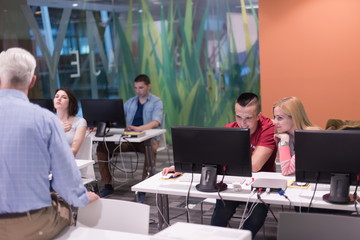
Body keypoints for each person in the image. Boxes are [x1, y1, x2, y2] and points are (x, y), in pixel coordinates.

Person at [0, 47, 99, 239]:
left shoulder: (72, 121)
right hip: (29, 222)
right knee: (64, 207)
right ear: (32, 80)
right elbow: (65, 180)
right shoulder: (45, 120)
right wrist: (81, 197)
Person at [162, 92, 277, 238]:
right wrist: (184, 166)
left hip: (261, 187)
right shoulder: (230, 129)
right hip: (234, 182)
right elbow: (211, 157)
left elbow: (254, 166)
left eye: (248, 118)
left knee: (255, 218)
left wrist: (225, 160)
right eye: (238, 116)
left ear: (259, 116)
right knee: (220, 213)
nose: (243, 123)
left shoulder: (268, 127)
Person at [96, 74, 163, 199]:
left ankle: (143, 187)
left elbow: (156, 122)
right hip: (130, 139)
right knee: (102, 147)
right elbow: (116, 115)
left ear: (149, 86)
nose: (138, 90)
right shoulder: (131, 102)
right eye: (136, 88)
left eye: (141, 87)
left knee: (151, 149)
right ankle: (107, 185)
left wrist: (139, 129)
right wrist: (100, 125)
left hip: (148, 139)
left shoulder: (156, 102)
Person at [273, 96, 321, 175]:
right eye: (275, 117)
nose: (275, 122)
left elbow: (286, 171)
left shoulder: (310, 136)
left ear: (294, 117)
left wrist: (284, 141)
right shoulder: (288, 135)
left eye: (280, 118)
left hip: (320, 184)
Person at [54, 87, 87, 156]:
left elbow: (74, 151)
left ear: (70, 102)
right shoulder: (49, 121)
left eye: (64, 97)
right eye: (56, 96)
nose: (59, 99)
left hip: (69, 162)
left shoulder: (80, 122)